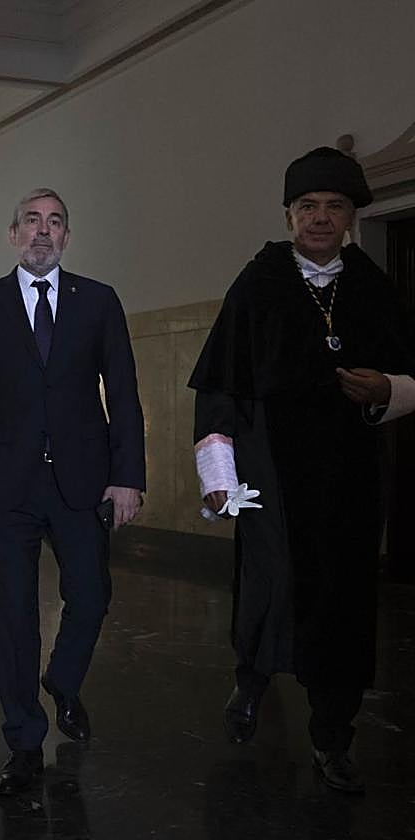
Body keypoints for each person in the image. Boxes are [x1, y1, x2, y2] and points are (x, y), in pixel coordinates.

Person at [189, 147, 415, 793]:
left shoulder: (372, 285)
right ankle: (251, 681)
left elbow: (409, 373)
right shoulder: (258, 283)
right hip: (269, 477)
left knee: (344, 606)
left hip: (350, 481)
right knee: (269, 587)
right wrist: (218, 477)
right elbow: (218, 393)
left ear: (349, 217)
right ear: (288, 213)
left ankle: (332, 736)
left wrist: (388, 390)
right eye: (308, 206)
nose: (320, 218)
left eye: (334, 207)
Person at [0, 187, 146, 797]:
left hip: (82, 484)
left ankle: (62, 680)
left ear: (66, 236)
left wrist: (129, 475)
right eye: (31, 221)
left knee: (92, 595)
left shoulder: (99, 302)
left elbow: (125, 396)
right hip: (6, 489)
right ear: (13, 234)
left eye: (54, 222)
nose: (42, 231)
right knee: (12, 615)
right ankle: (24, 741)